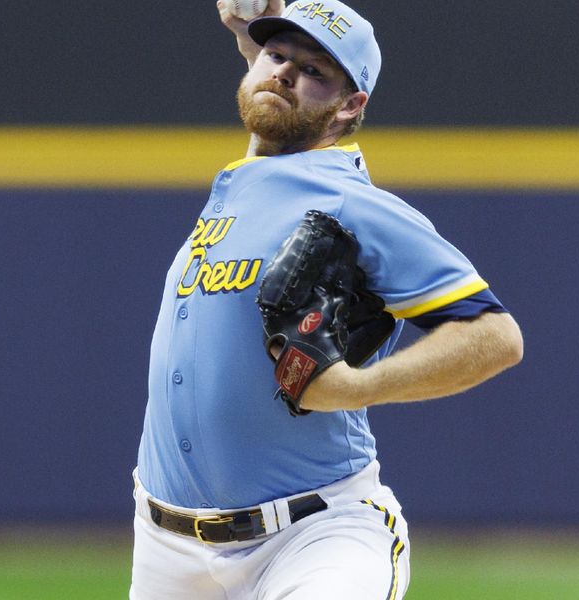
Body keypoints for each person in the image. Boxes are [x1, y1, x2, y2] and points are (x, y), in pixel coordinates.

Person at [129, 1, 524, 598]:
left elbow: (495, 336)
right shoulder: (248, 179)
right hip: (166, 551)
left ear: (351, 105)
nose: (285, 73)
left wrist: (357, 388)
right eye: (276, 56)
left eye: (315, 71)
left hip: (314, 535)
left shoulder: (348, 204)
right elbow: (272, 96)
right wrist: (252, 32)